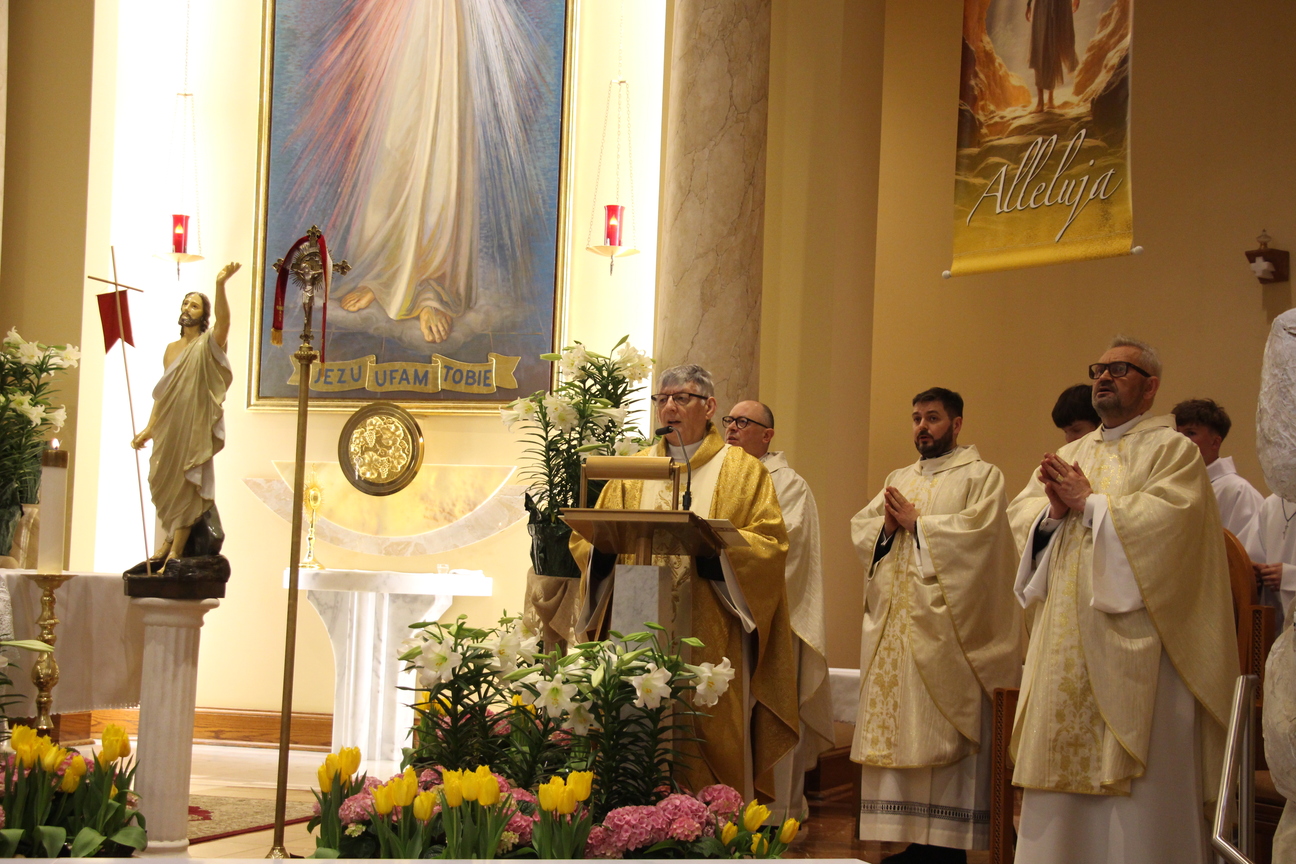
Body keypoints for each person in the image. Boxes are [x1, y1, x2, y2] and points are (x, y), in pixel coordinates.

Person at [1008, 336, 1238, 864]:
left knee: (1139, 803)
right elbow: (1019, 521)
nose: (1104, 378)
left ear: (1150, 387)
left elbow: (1173, 528)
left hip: (1139, 651)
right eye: (1099, 369)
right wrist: (1052, 515)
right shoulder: (1069, 455)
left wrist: (1091, 504)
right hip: (1065, 647)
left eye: (1120, 370)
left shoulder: (1173, 452)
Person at [569, 364, 799, 805]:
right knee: (634, 728)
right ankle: (629, 817)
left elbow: (770, 546)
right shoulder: (633, 471)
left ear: (709, 406)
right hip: (636, 630)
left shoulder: (744, 471)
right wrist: (605, 554)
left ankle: (711, 825)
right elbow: (587, 540)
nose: (669, 407)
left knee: (708, 726)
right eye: (662, 399)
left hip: (710, 632)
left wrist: (717, 551)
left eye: (681, 398)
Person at [850, 388, 1022, 864]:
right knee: (898, 733)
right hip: (895, 634)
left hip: (947, 636)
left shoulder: (982, 476)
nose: (922, 427)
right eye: (916, 418)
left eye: (932, 418)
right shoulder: (899, 477)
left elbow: (984, 541)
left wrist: (919, 524)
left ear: (957, 424)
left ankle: (945, 849)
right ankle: (909, 842)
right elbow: (865, 530)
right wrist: (887, 529)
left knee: (941, 734)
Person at [722, 400, 834, 820]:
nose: (732, 428)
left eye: (743, 422)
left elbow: (785, 545)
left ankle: (775, 815)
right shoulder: (719, 476)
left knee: (770, 712)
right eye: (729, 421)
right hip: (725, 613)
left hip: (771, 619)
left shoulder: (787, 484)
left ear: (767, 435)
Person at [132, 262, 241, 563]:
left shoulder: (209, 344)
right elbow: (162, 393)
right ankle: (168, 539)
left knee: (187, 484)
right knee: (165, 480)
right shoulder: (170, 349)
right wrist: (149, 427)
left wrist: (220, 285)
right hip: (169, 424)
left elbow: (225, 322)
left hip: (194, 424)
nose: (187, 308)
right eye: (185, 303)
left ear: (203, 315)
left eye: (194, 305)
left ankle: (176, 550)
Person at [1173, 398, 1265, 538]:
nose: (1179, 440)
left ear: (1215, 442)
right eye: (1175, 433)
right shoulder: (1168, 485)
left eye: (1190, 433)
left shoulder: (1238, 492)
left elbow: (1245, 549)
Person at [1238, 495, 1296, 630]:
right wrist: (1253, 573)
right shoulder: (1270, 504)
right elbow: (1254, 555)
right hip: (1272, 618)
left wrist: (1290, 578)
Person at [1026, 0, 1080, 112]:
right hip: (1044, 4)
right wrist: (1029, 4)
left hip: (1060, 4)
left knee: (1054, 45)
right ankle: (1041, 101)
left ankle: (1049, 99)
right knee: (1040, 46)